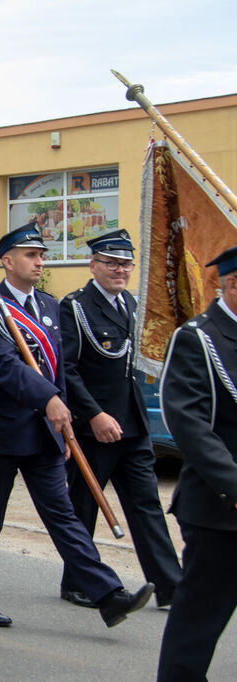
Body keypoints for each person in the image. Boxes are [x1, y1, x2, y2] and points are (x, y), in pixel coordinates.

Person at [0, 224, 153, 629]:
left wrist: (62, 415)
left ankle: (108, 595)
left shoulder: (49, 306)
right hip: (0, 432)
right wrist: (47, 399)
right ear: (7, 261)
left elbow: (59, 371)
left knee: (63, 516)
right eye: (31, 255)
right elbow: (4, 365)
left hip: (45, 434)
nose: (39, 262)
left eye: (42, 255)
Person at [58, 229, 180, 608]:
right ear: (93, 265)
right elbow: (67, 368)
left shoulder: (132, 304)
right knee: (83, 506)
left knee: (146, 505)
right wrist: (93, 415)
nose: (120, 270)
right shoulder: (75, 307)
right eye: (111, 263)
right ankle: (77, 582)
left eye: (125, 264)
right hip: (93, 429)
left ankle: (170, 586)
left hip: (132, 425)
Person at [157, 245, 237, 680]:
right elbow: (190, 426)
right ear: (232, 283)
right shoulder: (198, 338)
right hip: (220, 511)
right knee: (198, 625)